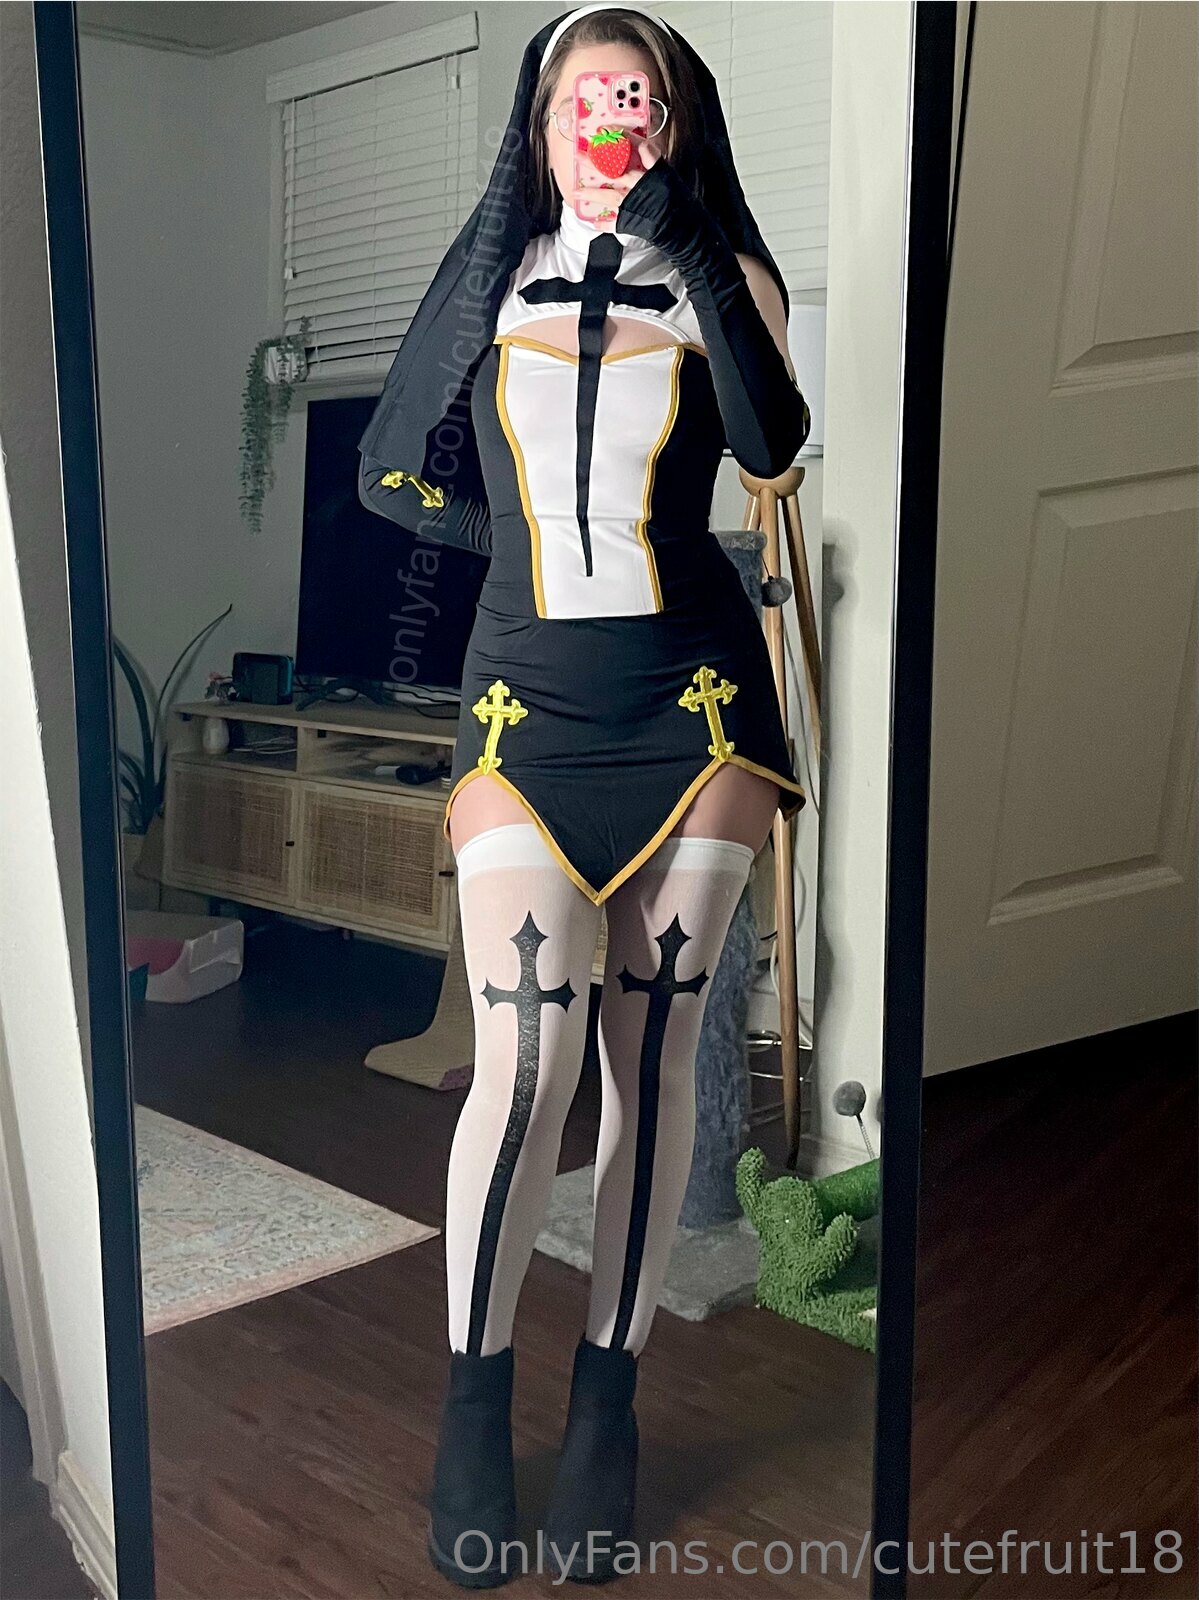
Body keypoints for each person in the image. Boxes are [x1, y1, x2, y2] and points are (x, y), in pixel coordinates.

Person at [358, 4, 810, 1585]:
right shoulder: (490, 275)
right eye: (582, 102)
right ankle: (473, 1409)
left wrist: (689, 252)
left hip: (695, 709)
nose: (609, 125)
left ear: (674, 126)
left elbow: (775, 447)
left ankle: (607, 1403)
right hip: (522, 709)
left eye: (640, 103)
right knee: (525, 1060)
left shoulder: (726, 274)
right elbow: (388, 470)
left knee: (652, 1056)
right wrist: (524, 556)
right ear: (540, 128)